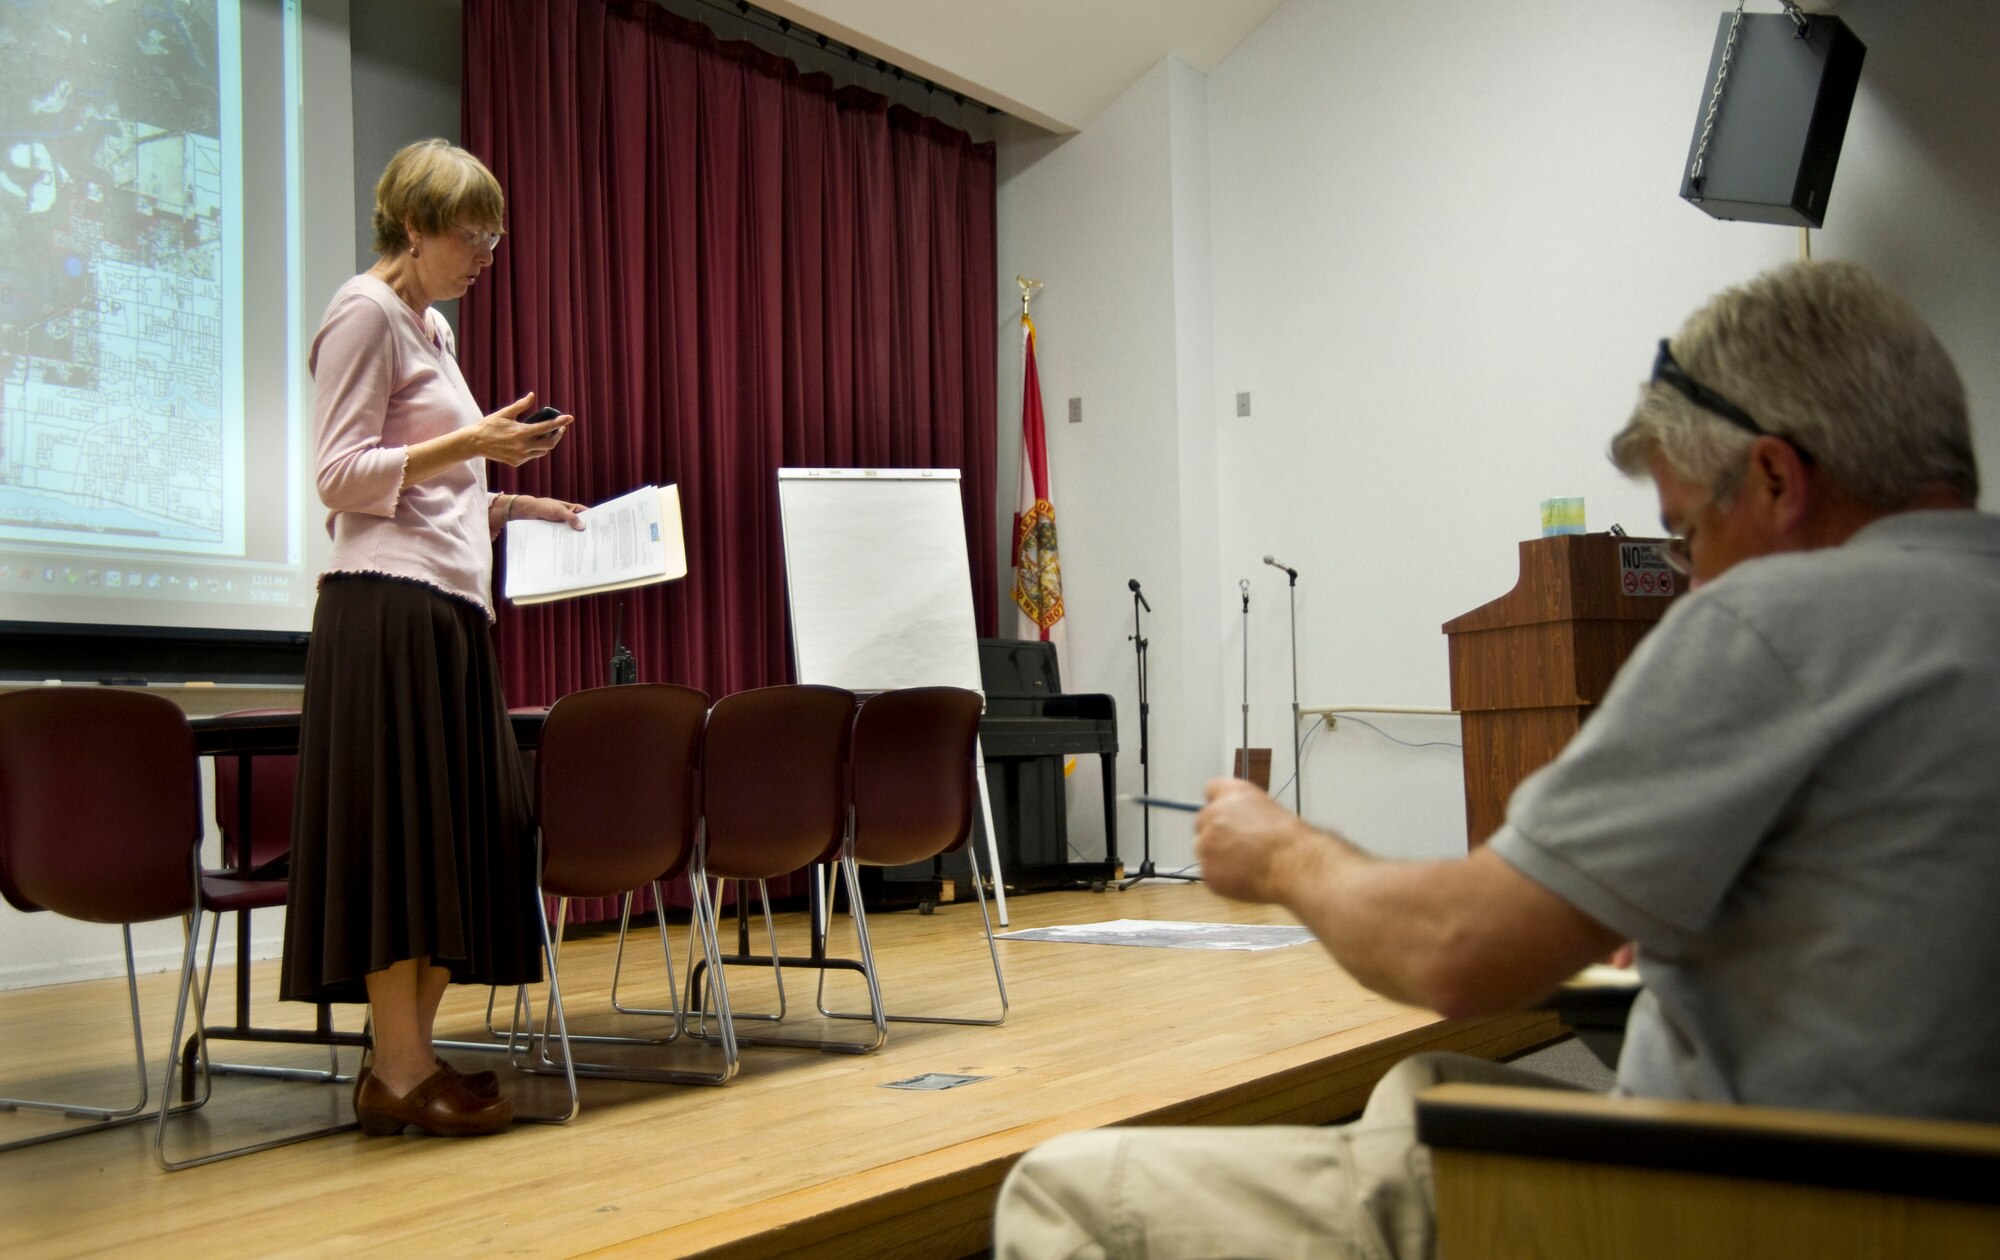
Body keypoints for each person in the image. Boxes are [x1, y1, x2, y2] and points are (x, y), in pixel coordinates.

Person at [994, 259, 2000, 1257]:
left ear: (1776, 478)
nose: (1688, 585)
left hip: (1738, 1208)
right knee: (1422, 1091)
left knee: (1065, 1192)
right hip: (1918, 1195)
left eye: (1683, 538)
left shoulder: (1780, 619)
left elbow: (1458, 953)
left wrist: (1280, 855)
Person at [281, 138, 586, 1138]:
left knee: (466, 835)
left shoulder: (433, 329)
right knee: (402, 841)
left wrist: (511, 501)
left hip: (447, 606)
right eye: (469, 236)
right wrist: (472, 444)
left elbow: (426, 484)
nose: (482, 256)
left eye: (492, 240)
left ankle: (401, 1064)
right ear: (411, 224)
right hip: (385, 611)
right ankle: (401, 1068)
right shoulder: (363, 310)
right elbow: (340, 477)